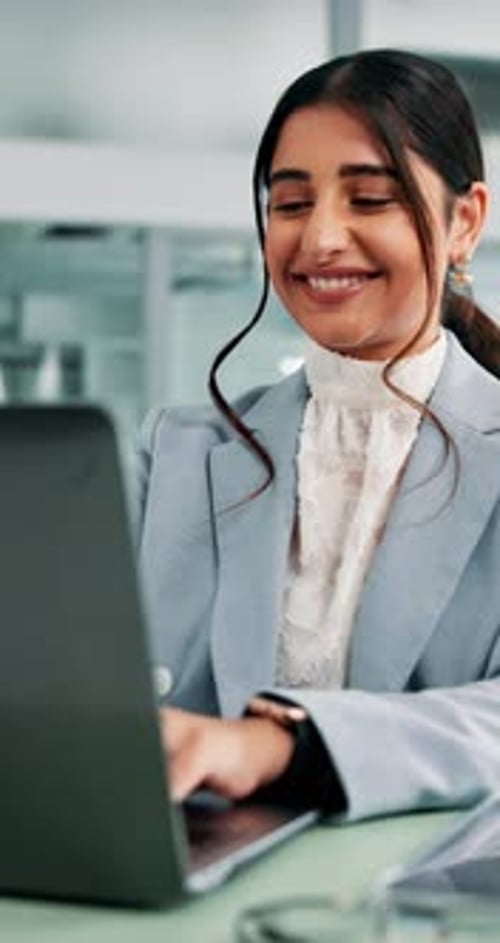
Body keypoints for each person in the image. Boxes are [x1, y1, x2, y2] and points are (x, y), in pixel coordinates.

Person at [135, 48, 500, 822]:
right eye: (291, 204)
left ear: (463, 221)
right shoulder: (168, 453)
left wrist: (281, 745)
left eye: (370, 199)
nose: (322, 239)